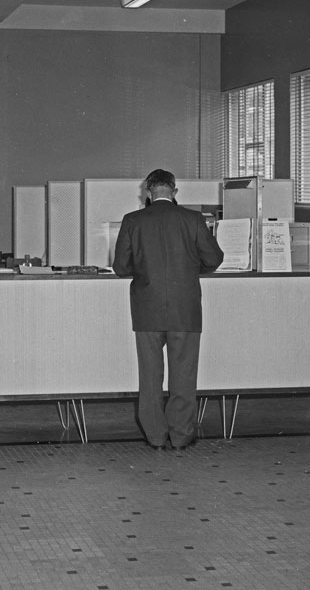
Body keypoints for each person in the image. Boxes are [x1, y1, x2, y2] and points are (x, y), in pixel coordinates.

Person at [112, 169, 224, 452]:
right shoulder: (193, 220)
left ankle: (156, 437)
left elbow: (121, 267)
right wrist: (189, 269)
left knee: (150, 377)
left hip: (146, 309)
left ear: (148, 193)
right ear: (174, 191)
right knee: (183, 376)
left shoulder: (133, 221)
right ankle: (181, 436)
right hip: (185, 309)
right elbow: (214, 259)